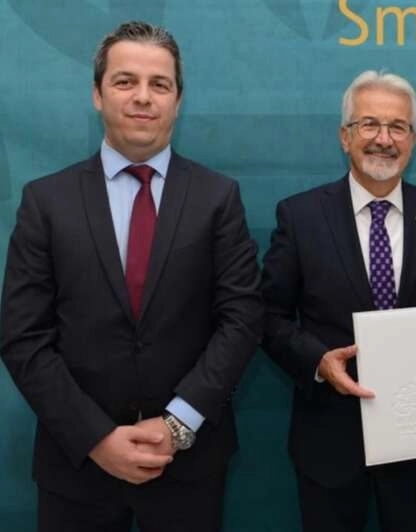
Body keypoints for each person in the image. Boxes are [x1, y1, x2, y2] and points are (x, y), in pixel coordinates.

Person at [0, 21, 263, 532]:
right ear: (97, 94)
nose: (143, 96)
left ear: (178, 101)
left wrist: (178, 424)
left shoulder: (218, 198)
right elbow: (23, 337)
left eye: (159, 84)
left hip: (188, 467)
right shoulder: (45, 202)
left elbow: (242, 319)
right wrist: (97, 438)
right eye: (125, 81)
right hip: (76, 470)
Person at [260, 70, 416, 532]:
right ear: (345, 136)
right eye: (369, 125)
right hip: (328, 442)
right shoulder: (301, 216)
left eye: (398, 127)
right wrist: (319, 362)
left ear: (413, 140)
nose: (384, 139)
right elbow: (268, 315)